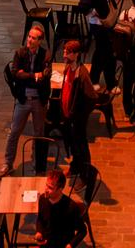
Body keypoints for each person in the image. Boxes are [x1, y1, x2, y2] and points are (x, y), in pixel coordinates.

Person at [1, 24, 53, 176]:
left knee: (39, 135)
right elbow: (16, 74)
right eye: (29, 36)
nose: (29, 40)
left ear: (40, 41)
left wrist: (32, 76)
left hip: (39, 100)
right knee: (14, 132)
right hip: (23, 99)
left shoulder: (45, 55)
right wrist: (33, 76)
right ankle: (7, 163)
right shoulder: (20, 53)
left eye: (33, 38)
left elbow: (44, 78)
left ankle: (39, 167)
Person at [55, 38, 98, 175]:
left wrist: (80, 115)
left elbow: (92, 98)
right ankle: (75, 167)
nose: (64, 55)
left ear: (76, 54)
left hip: (76, 119)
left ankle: (85, 173)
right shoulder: (68, 68)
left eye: (67, 53)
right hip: (67, 116)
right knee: (73, 145)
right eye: (64, 51)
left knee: (81, 147)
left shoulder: (83, 74)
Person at [77, 0, 116, 88]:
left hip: (106, 23)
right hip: (98, 25)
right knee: (104, 52)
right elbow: (82, 6)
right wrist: (93, 12)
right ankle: (100, 81)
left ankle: (100, 80)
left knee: (104, 52)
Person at [32, 167, 84, 248]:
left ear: (60, 189)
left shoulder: (71, 207)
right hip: (46, 243)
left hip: (62, 244)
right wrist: (39, 232)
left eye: (50, 188)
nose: (46, 190)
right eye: (46, 185)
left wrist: (70, 245)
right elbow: (40, 219)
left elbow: (82, 231)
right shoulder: (42, 199)